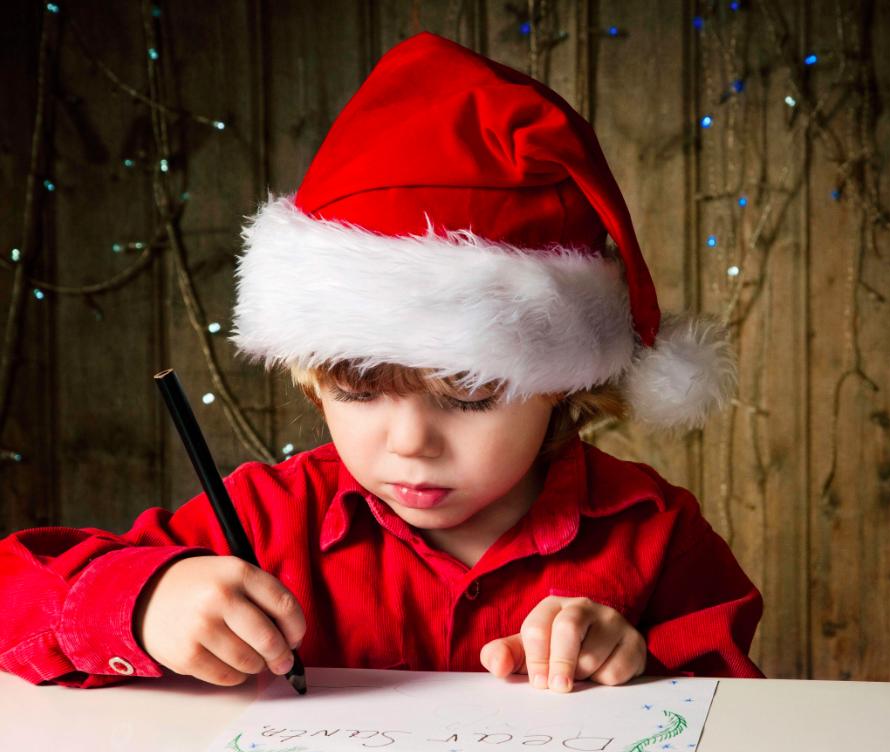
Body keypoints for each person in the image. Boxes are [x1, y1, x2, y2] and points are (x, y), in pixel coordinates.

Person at [0, 32, 764, 692]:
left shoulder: (655, 534)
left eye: (465, 396)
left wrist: (640, 669)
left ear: (561, 384)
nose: (407, 443)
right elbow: (14, 595)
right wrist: (145, 602)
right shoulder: (269, 521)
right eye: (358, 390)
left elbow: (745, 718)